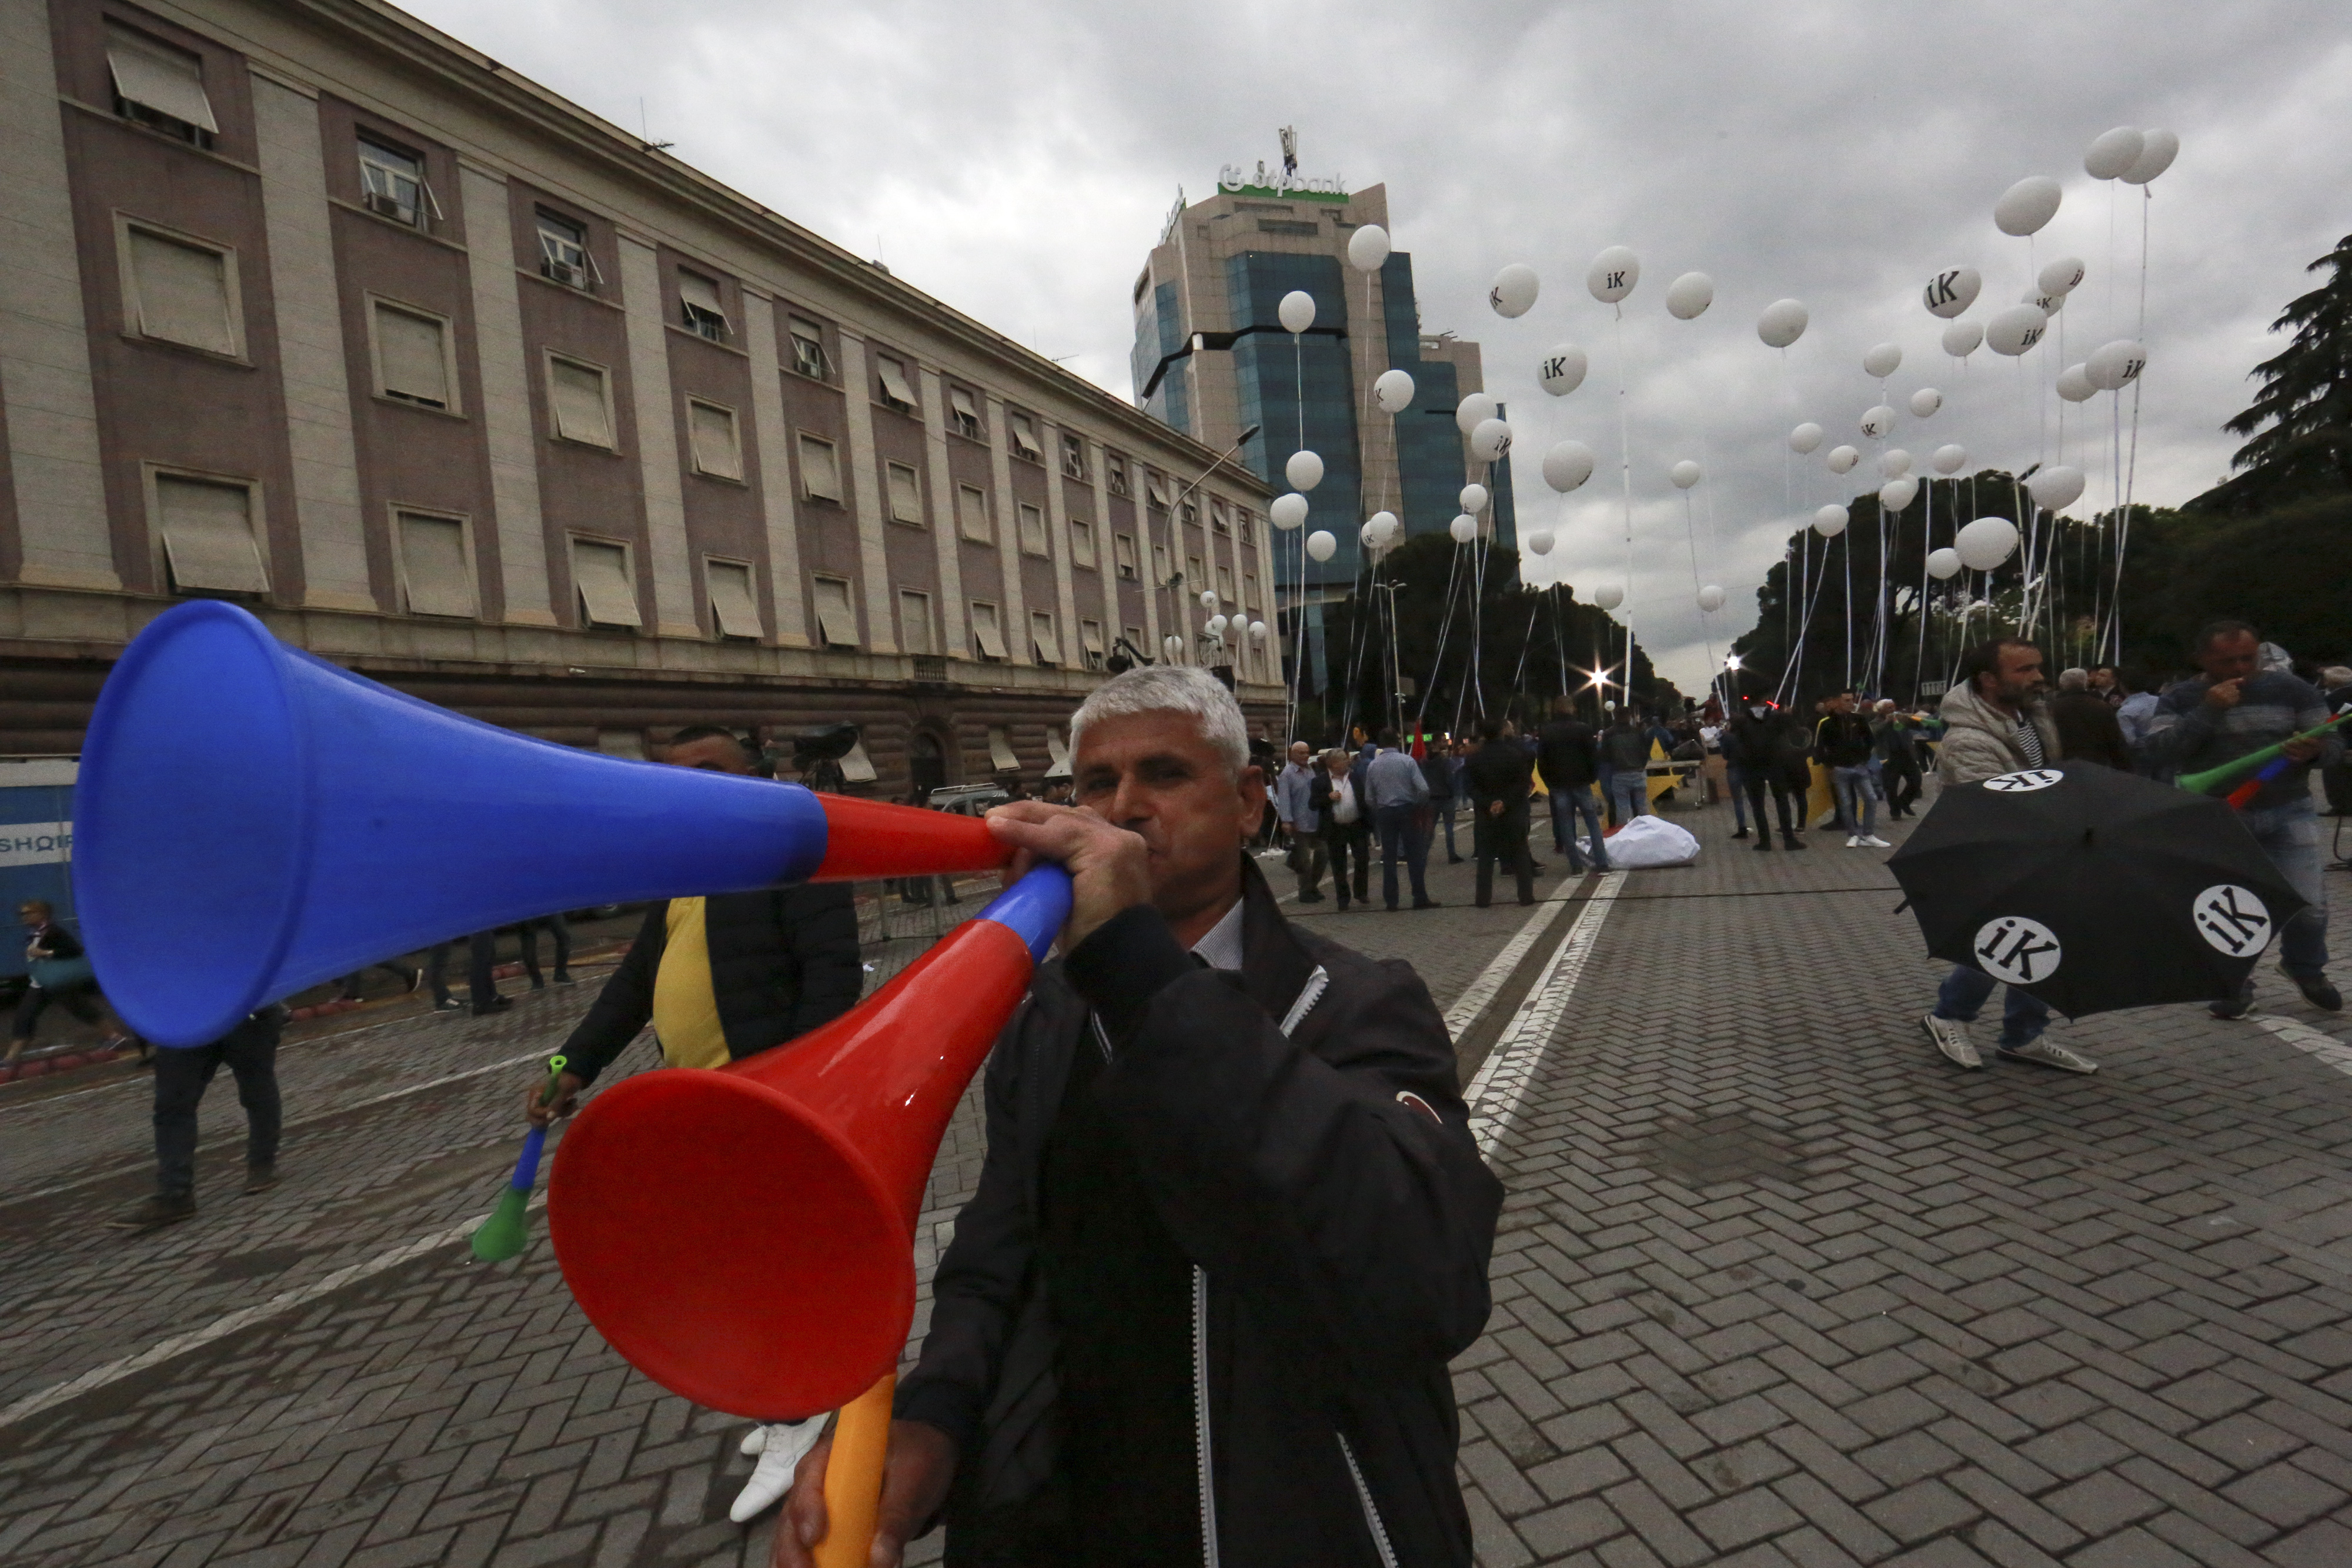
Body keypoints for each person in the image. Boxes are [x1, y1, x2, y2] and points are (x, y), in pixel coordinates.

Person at [773, 663, 1500, 1567]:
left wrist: (1136, 964)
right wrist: (938, 1414)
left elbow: (1428, 1276)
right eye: (1096, 783)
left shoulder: (1358, 1001)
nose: (1124, 807)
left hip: (1289, 1510)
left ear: (1246, 803)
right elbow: (1000, 1244)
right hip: (1066, 1503)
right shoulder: (1045, 1009)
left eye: (1165, 774)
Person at [523, 722, 865, 1521]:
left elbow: (832, 977)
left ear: (756, 772)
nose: (695, 786)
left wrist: (796, 1090)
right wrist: (569, 1064)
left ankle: (798, 1416)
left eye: (711, 769)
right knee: (745, 1263)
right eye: (677, 774)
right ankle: (795, 1401)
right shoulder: (692, 864)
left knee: (770, 1266)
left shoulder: (794, 855)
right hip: (710, 1110)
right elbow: (638, 980)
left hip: (771, 1106)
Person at [2141, 620, 2343, 1017]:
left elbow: (2334, 744)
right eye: (2225, 660)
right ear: (2201, 659)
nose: (2239, 668)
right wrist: (2210, 709)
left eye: (2247, 658)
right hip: (2219, 816)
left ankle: (2304, 967)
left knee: (2309, 903)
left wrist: (2316, 751)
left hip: (2289, 808)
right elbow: (2161, 749)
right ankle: (2234, 982)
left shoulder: (2293, 689)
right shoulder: (2180, 697)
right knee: (2229, 907)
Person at [1919, 637, 2094, 1074]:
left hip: (2043, 848)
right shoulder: (1967, 739)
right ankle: (1947, 1017)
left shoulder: (2031, 717)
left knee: (2046, 941)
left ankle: (2024, 1035)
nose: (2038, 677)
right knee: (1998, 944)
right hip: (1993, 855)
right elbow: (1999, 806)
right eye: (2024, 670)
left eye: (2038, 666)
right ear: (1988, 680)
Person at [106, 1004, 286, 1228]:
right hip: (184, 1016)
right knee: (172, 1104)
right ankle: (175, 1194)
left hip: (244, 1009)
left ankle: (262, 1163)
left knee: (256, 1090)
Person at [9, 900, 135, 1069]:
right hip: (41, 982)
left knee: (80, 1009)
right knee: (25, 1016)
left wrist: (45, 952)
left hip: (59, 981)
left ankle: (115, 1037)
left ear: (42, 914)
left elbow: (75, 951)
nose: (24, 917)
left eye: (28, 913)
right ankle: (11, 1057)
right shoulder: (34, 934)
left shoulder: (55, 932)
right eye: (22, 914)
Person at [1364, 727, 1439, 911]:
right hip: (1408, 810)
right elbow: (1423, 789)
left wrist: (1380, 808)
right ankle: (1419, 897)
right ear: (1397, 741)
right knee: (1415, 855)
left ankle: (1391, 900)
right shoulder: (1407, 761)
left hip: (1385, 812)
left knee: (1389, 857)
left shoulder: (1373, 765)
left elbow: (1368, 797)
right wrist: (1418, 805)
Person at [1465, 716, 1537, 907]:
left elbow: (1470, 787)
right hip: (1513, 810)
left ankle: (1483, 898)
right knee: (1520, 852)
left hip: (1486, 812)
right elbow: (1522, 784)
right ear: (1501, 732)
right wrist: (1504, 802)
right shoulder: (1514, 754)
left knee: (1486, 857)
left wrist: (1489, 802)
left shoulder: (1474, 758)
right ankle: (1525, 896)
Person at [1536, 697, 1608, 870]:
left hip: (1559, 784)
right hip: (1582, 782)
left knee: (1566, 825)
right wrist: (1592, 777)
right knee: (1592, 823)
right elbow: (1593, 756)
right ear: (1572, 709)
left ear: (1555, 710)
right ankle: (1602, 862)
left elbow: (1542, 760)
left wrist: (1549, 782)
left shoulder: (1547, 731)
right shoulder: (1583, 729)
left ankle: (1575, 865)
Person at [1725, 697, 1800, 851]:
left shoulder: (1741, 721)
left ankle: (1765, 841)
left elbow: (1733, 739)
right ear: (1766, 701)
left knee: (1757, 805)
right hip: (1775, 764)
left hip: (1751, 766)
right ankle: (1789, 839)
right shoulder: (1777, 718)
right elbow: (1793, 733)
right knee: (1782, 801)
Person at [1815, 693, 1888, 848]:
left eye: (1852, 700)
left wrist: (1864, 758)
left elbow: (1870, 740)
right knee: (1846, 803)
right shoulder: (1828, 723)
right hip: (1840, 768)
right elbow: (1820, 746)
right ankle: (1853, 834)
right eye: (1847, 700)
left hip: (1858, 766)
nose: (1851, 703)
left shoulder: (1858, 719)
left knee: (1871, 798)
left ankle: (1868, 834)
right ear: (1837, 703)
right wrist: (1830, 764)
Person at [1314, 747, 1371, 910]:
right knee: (1339, 865)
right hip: (1335, 828)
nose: (1346, 763)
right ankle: (1343, 898)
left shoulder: (1355, 777)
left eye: (1346, 760)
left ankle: (1361, 892)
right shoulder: (1321, 781)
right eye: (1342, 760)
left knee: (1362, 858)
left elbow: (1363, 799)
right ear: (1332, 764)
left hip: (1356, 825)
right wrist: (1328, 798)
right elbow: (1313, 803)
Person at [2049, 667, 2133, 770]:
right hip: (2097, 763)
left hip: (2062, 764)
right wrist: (2124, 768)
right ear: (2086, 683)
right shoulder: (2101, 706)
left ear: (2061, 684)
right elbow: (2115, 740)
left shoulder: (2051, 708)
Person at [1274, 741, 1327, 902]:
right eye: (1301, 753)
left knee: (1323, 854)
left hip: (1315, 820)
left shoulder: (1311, 770)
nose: (1305, 756)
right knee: (1304, 860)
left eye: (1307, 752)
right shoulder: (1287, 774)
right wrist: (1287, 821)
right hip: (1299, 822)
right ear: (1292, 754)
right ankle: (1305, 891)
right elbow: (1284, 799)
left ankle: (1313, 885)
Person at [426, 930, 504, 1015]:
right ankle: (442, 999)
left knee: (441, 955)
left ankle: (444, 997)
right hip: (438, 925)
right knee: (439, 957)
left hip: (442, 923)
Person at [1873, 701, 1925, 819]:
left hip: (1906, 755)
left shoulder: (1901, 719)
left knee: (1916, 781)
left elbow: (1919, 726)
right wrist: (1887, 722)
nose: (1892, 709)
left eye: (1893, 707)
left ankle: (1904, 802)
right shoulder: (1876, 722)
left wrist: (1910, 719)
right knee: (1891, 788)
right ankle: (1895, 812)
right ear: (1881, 710)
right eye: (1888, 708)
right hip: (1890, 758)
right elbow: (1875, 733)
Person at [1600, 714, 1651, 825]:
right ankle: (1645, 830)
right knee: (1642, 805)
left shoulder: (1609, 734)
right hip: (1638, 772)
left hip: (1619, 774)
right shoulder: (1638, 732)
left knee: (1622, 806)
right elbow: (1646, 752)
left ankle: (1624, 831)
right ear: (1630, 718)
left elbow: (1605, 756)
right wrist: (1642, 765)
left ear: (1615, 719)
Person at [1421, 737, 1463, 864]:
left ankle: (1423, 855)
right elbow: (1449, 779)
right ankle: (1452, 854)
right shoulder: (1444, 761)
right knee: (1449, 828)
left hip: (1431, 798)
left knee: (1429, 829)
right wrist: (1453, 792)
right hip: (1446, 797)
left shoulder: (1424, 762)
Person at [2115, 665, 2164, 770]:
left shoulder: (2125, 712)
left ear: (2122, 686)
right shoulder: (2162, 701)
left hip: (2141, 761)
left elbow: (2129, 742)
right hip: (2168, 755)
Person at [515, 914, 574, 989]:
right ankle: (559, 974)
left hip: (527, 910)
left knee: (528, 942)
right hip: (543, 907)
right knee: (563, 937)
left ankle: (538, 980)